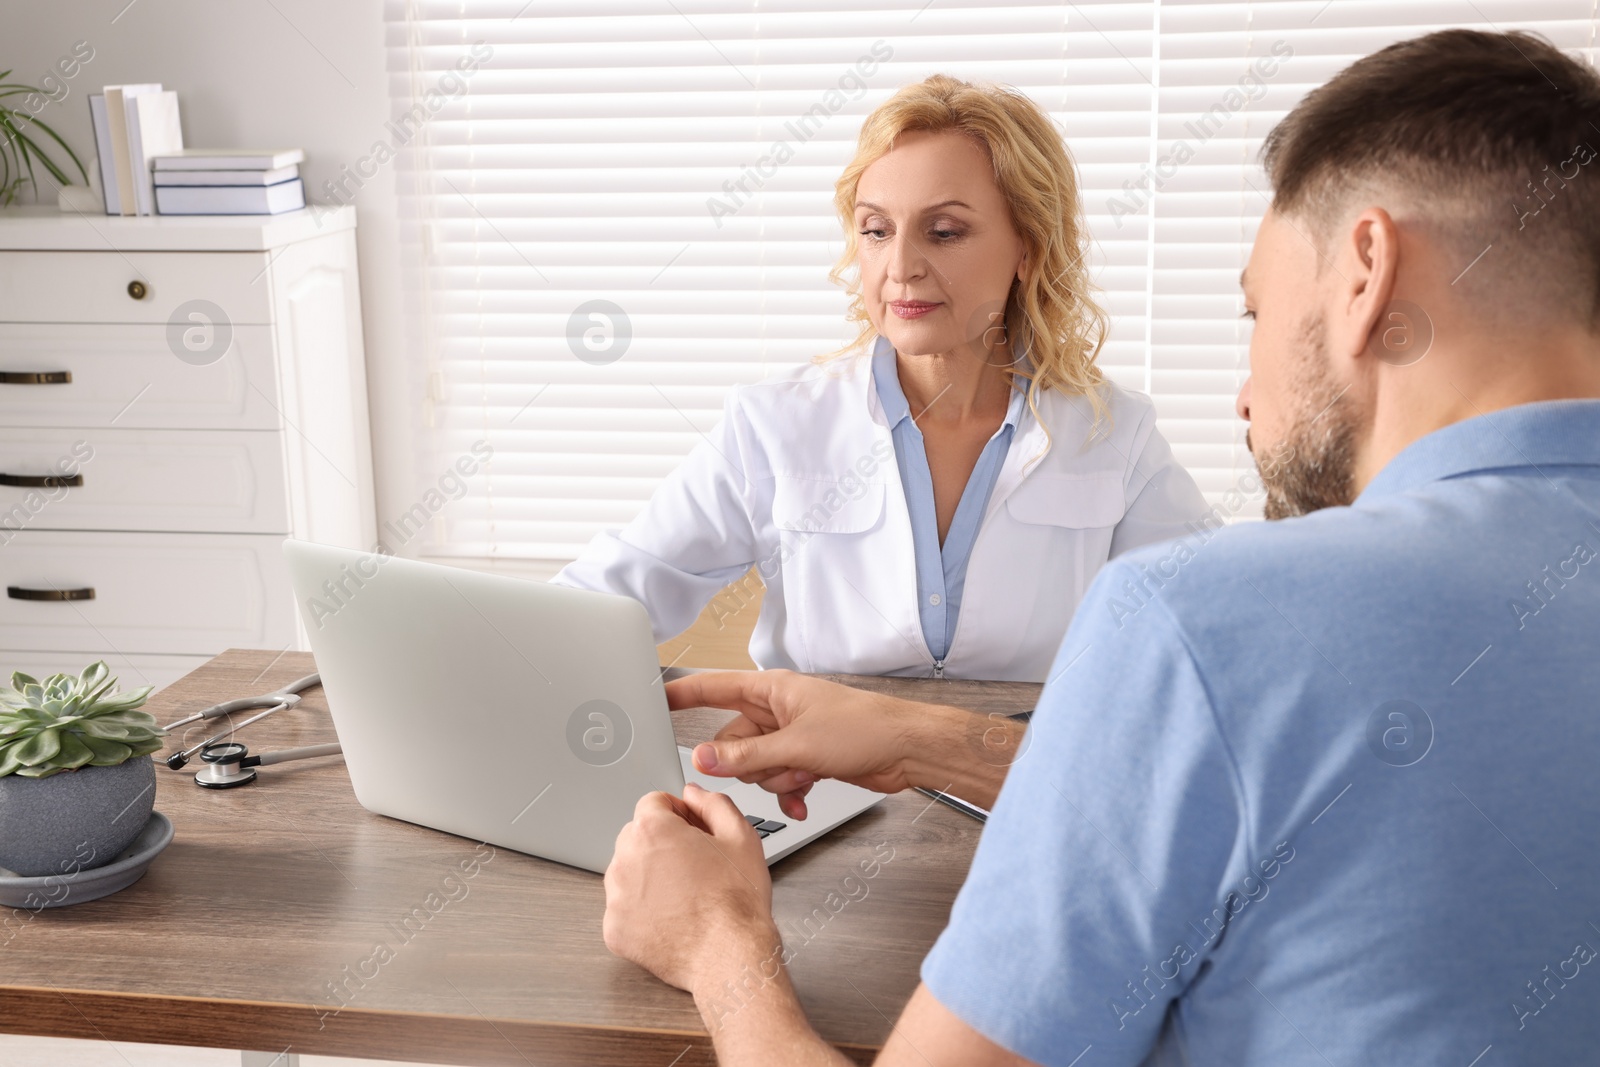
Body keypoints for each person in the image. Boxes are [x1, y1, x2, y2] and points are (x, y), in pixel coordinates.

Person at [600, 29, 1600, 1065]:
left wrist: (718, 947)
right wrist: (922, 739)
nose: (1245, 394)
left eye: (1256, 307)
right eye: (875, 230)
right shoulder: (778, 423)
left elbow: (1212, 727)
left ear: (1365, 275)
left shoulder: (1195, 603)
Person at [552, 75, 1207, 682]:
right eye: (875, 230)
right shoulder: (774, 424)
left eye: (943, 231)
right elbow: (605, 602)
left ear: (1027, 248)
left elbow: (1219, 622)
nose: (900, 267)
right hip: (820, 796)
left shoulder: (1114, 435)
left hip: (1020, 786)